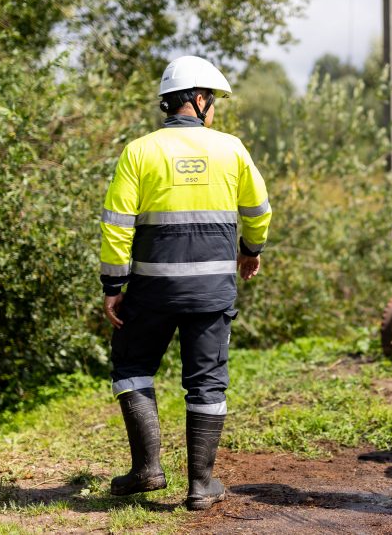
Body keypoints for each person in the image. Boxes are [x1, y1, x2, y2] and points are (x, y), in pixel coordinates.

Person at [99, 55, 271, 510]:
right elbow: (259, 211)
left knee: (132, 367)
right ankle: (200, 486)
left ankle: (147, 470)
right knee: (207, 383)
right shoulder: (231, 149)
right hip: (212, 291)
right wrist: (250, 252)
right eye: (211, 100)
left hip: (151, 291)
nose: (212, 109)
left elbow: (117, 226)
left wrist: (112, 286)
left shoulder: (139, 151)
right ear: (197, 100)